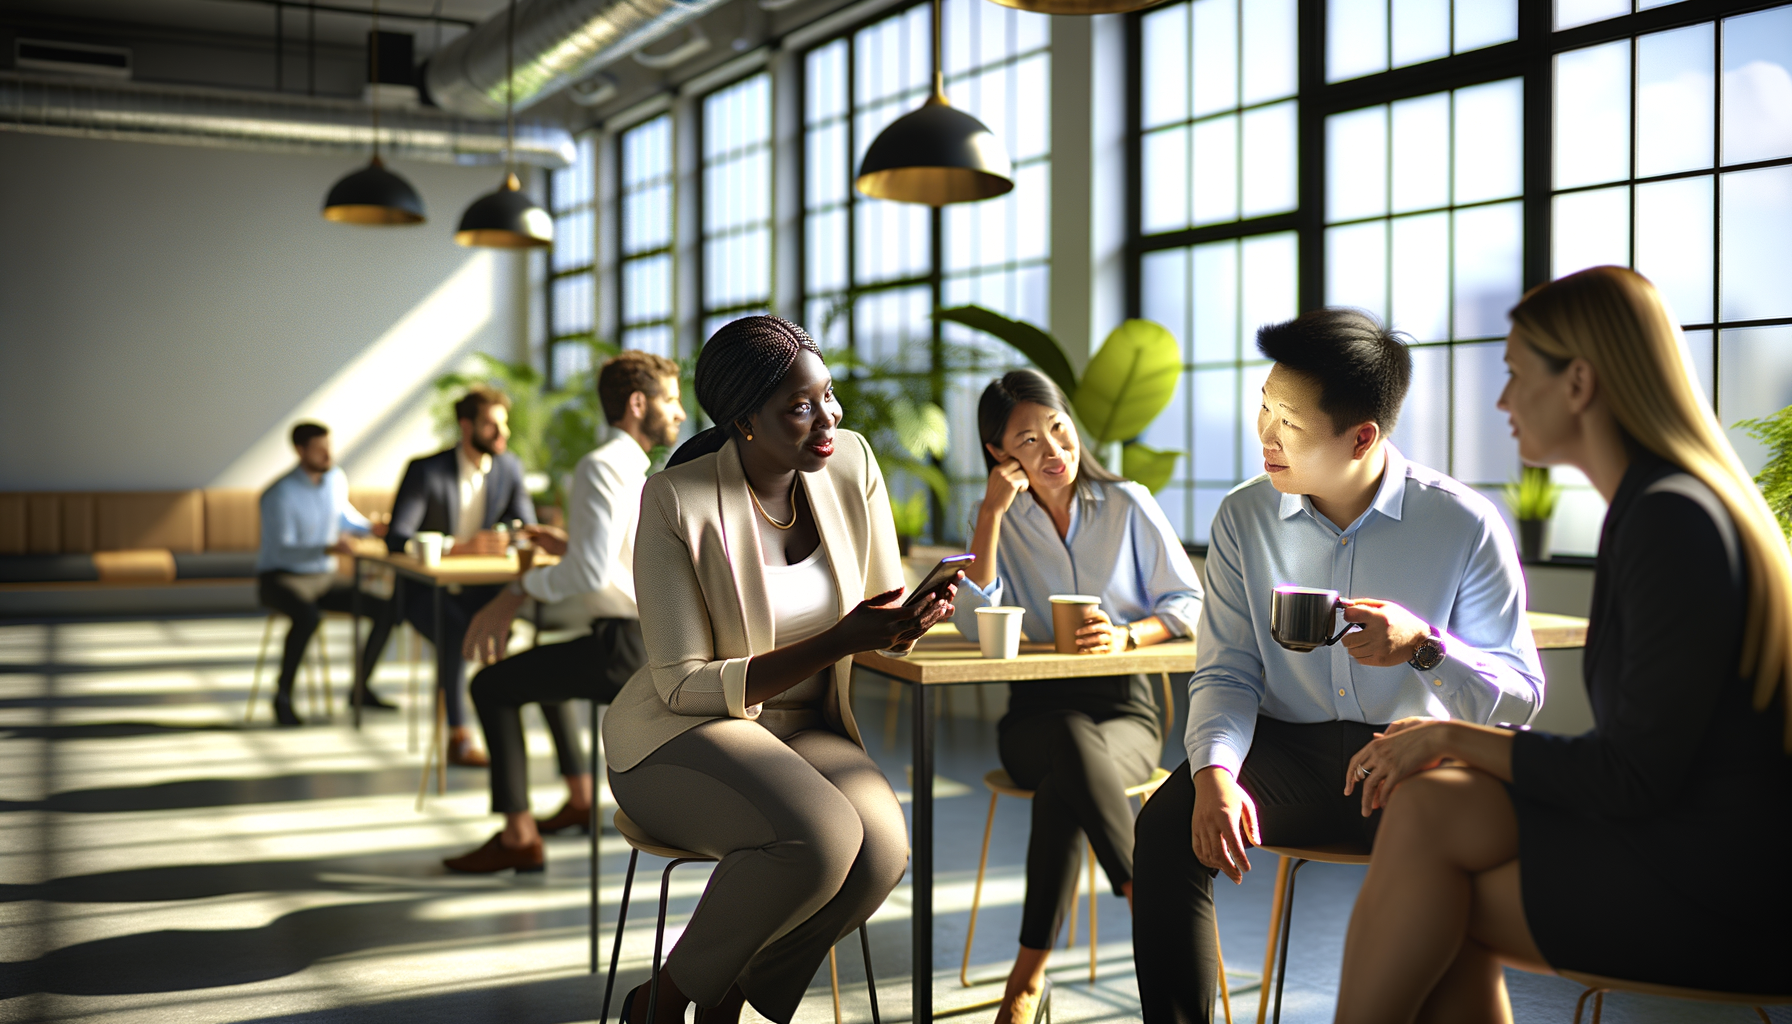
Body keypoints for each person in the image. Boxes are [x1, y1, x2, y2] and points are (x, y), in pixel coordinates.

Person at [1331, 267, 1792, 1022]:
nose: (1502, 400)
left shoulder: (1670, 521)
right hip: (1682, 837)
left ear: (1578, 382)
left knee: (1440, 901)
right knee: (1425, 810)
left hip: (1723, 888)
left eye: (1515, 374)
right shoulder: (1660, 504)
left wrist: (1452, 735)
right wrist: (1449, 745)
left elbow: (1631, 775)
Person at [1130, 308, 1545, 1024]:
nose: (1264, 434)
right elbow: (1227, 671)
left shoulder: (1463, 523)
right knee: (1166, 831)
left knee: (1446, 894)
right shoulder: (1242, 519)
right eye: (1264, 406)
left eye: (1288, 421)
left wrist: (1426, 646)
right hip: (1284, 747)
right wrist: (1215, 774)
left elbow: (1522, 700)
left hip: (1411, 758)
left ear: (1362, 436)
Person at [602, 315, 958, 1024]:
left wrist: (906, 625)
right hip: (683, 729)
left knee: (880, 851)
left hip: (802, 724)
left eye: (828, 395)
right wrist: (840, 640)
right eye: (799, 407)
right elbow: (681, 681)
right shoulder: (677, 500)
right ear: (745, 420)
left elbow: (877, 615)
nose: (827, 418)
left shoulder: (850, 463)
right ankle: (663, 1003)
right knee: (823, 837)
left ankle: (726, 998)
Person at [950, 369, 1205, 1024]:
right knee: (1065, 741)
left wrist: (1128, 633)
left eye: (1057, 428)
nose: (1053, 449)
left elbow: (1189, 601)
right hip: (1033, 716)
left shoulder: (1126, 502)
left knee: (1070, 780)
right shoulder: (999, 521)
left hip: (1127, 709)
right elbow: (969, 622)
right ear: (999, 455)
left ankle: (1025, 981)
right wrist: (990, 514)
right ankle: (1141, 889)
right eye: (1027, 441)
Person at [443, 351, 686, 873]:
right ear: (637, 404)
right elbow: (610, 557)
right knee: (544, 670)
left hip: (623, 647)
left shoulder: (605, 467)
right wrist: (571, 543)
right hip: (649, 645)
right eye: (672, 400)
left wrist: (515, 593)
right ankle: (578, 798)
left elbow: (592, 574)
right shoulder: (633, 472)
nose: (680, 413)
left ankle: (517, 834)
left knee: (488, 686)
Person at [386, 386, 536, 766]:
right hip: (425, 592)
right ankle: (459, 735)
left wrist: (507, 535)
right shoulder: (426, 470)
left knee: (504, 625)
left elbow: (527, 526)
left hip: (482, 591)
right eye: (491, 425)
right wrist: (458, 546)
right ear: (466, 426)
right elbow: (396, 537)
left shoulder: (509, 467)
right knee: (457, 630)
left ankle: (504, 739)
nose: (502, 434)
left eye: (504, 425)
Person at [255, 421, 397, 727]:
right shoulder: (278, 495)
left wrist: (371, 529)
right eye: (320, 450)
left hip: (325, 577)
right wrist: (328, 547)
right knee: (307, 617)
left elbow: (343, 517)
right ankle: (282, 697)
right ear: (300, 451)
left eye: (329, 448)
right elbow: (283, 550)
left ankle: (360, 688)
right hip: (281, 577)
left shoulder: (335, 479)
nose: (327, 455)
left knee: (388, 609)